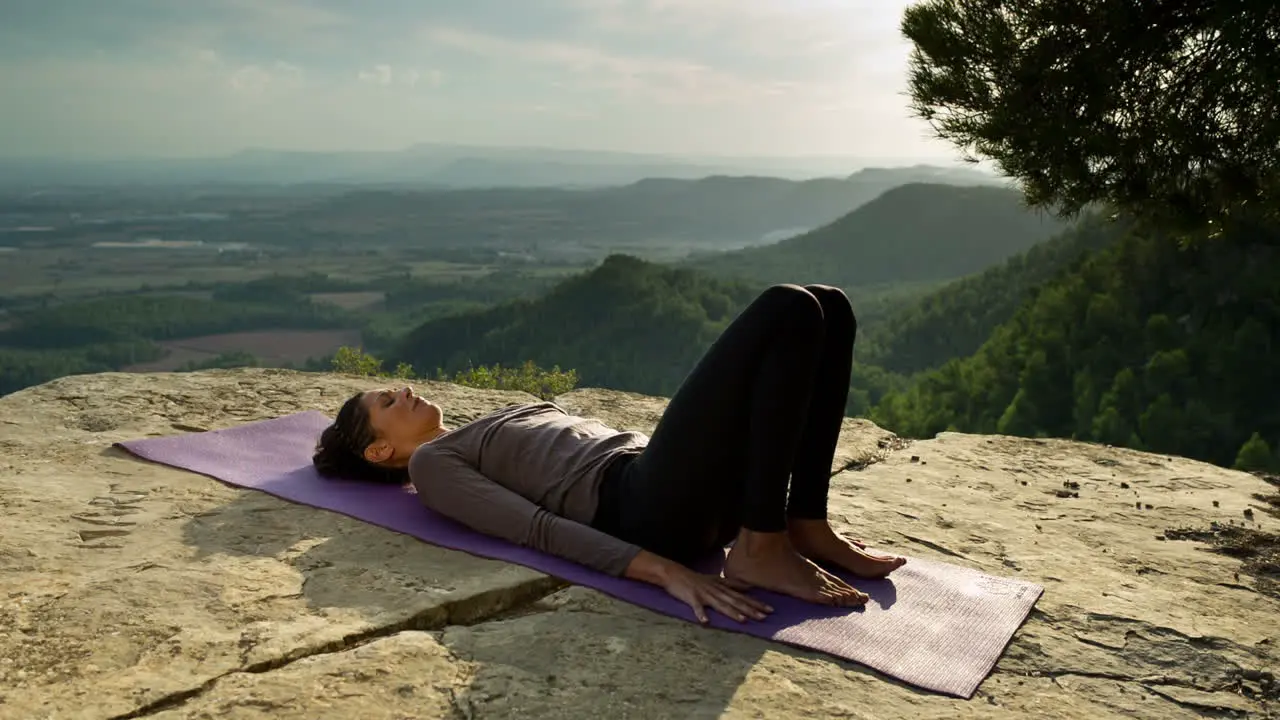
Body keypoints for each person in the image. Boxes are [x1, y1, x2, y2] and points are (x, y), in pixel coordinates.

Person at [314, 284, 906, 625]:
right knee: (787, 307)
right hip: (641, 504)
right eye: (388, 400)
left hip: (679, 487)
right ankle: (759, 549)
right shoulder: (431, 465)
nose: (405, 390)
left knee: (831, 307)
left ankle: (802, 522)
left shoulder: (472, 431)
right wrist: (663, 570)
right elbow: (536, 530)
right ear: (380, 447)